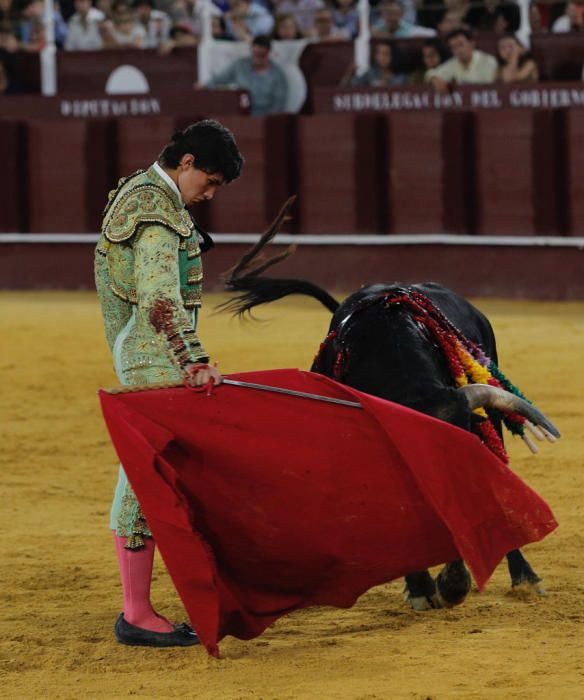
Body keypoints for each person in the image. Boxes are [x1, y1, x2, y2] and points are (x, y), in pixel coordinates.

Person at [95, 119, 244, 647]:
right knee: (148, 477)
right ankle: (136, 613)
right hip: (153, 358)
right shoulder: (156, 213)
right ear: (187, 163)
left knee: (153, 474)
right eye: (210, 180)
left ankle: (148, 604)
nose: (209, 193)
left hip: (144, 355)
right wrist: (193, 358)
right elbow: (160, 297)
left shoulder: (146, 194)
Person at [203, 35, 288, 115]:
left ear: (268, 53)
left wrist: (265, 122)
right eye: (255, 54)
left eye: (261, 55)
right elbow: (220, 79)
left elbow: (278, 104)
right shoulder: (240, 65)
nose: (257, 59)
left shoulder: (278, 75)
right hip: (239, 113)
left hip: (264, 117)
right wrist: (205, 86)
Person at [425, 27, 497, 92]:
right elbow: (432, 73)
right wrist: (434, 78)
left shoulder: (487, 61)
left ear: (472, 44)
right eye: (454, 47)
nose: (458, 50)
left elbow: (487, 85)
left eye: (461, 45)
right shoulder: (454, 62)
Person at [341, 40, 407, 86]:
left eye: (386, 54)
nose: (382, 57)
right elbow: (348, 89)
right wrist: (349, 74)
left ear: (392, 56)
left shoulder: (401, 76)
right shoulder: (370, 74)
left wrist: (388, 83)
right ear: (376, 56)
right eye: (380, 54)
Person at [372, 0, 436, 38]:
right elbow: (368, 32)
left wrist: (391, 36)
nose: (391, 17)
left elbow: (432, 33)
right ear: (383, 15)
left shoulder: (409, 29)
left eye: (394, 14)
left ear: (401, 14)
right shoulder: (378, 27)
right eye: (389, 14)